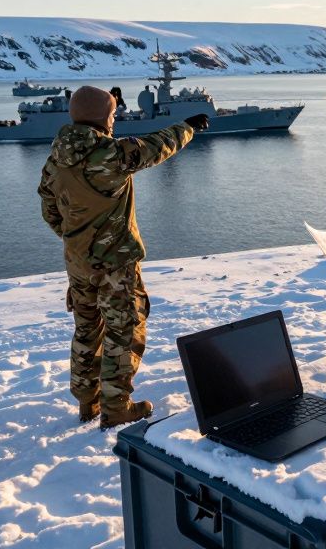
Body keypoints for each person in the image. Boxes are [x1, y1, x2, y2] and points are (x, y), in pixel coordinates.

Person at [37, 86, 209, 429]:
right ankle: (116, 407)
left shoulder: (55, 161)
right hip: (115, 264)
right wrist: (188, 126)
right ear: (102, 117)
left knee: (87, 329)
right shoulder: (111, 154)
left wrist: (79, 241)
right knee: (124, 331)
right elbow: (157, 146)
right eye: (113, 114)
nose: (115, 121)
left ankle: (88, 402)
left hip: (78, 265)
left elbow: (50, 211)